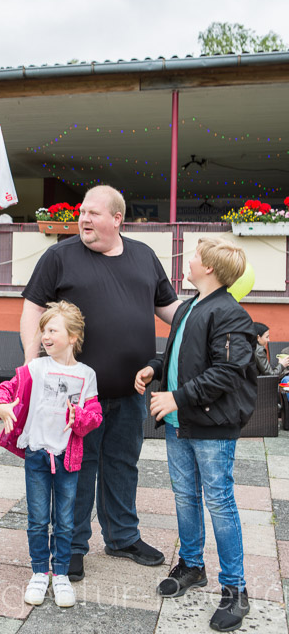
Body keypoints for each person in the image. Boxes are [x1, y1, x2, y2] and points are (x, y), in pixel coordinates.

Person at [20, 185, 180, 582]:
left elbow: (169, 309)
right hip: (74, 397)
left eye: (93, 213)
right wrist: (30, 364)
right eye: (82, 212)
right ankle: (72, 545)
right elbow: (32, 310)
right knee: (77, 468)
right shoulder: (59, 256)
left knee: (124, 465)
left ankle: (123, 537)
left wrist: (206, 316)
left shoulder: (144, 256)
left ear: (117, 219)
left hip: (132, 391)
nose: (84, 219)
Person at [135, 237, 257, 632]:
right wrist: (155, 367)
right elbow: (177, 355)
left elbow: (226, 372)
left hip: (211, 427)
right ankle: (191, 566)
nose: (186, 261)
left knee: (219, 502)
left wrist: (176, 398)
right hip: (180, 423)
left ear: (209, 268)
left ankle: (235, 590)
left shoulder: (231, 314)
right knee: (186, 496)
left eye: (193, 257)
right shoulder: (188, 307)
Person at [0, 301, 102, 607]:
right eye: (43, 330)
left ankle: (62, 574)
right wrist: (0, 406)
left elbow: (94, 414)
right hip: (38, 456)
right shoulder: (34, 368)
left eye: (52, 330)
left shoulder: (86, 374)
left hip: (69, 458)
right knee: (38, 520)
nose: (45, 336)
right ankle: (39, 573)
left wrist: (78, 419)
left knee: (65, 521)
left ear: (73, 337)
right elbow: (5, 390)